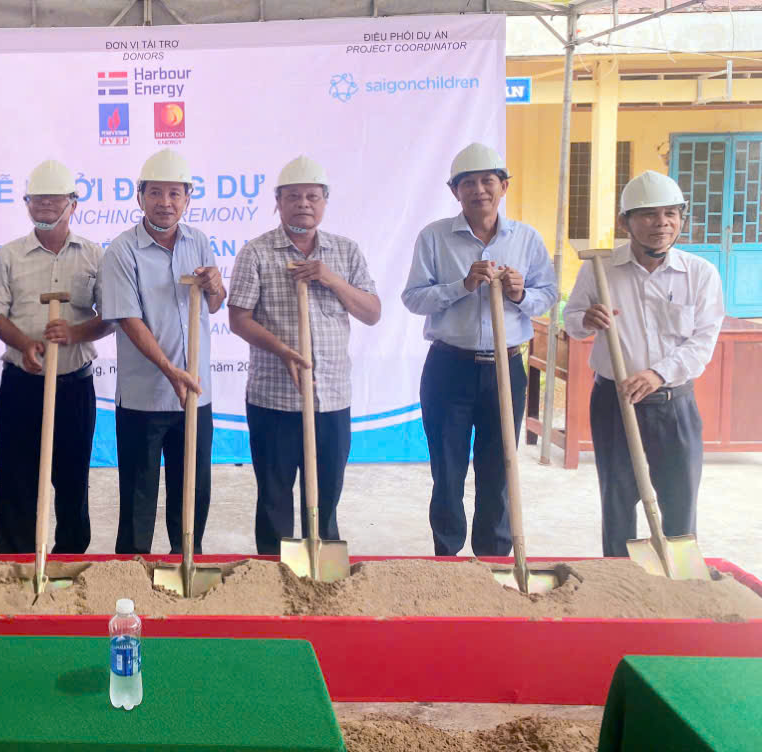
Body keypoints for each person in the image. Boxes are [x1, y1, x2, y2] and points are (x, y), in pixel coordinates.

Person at [401, 143, 558, 557]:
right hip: (450, 368)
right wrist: (463, 286)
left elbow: (548, 296)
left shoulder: (526, 239)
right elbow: (414, 299)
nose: (479, 190)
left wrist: (522, 293)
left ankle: (494, 560)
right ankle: (448, 557)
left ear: (504, 186)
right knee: (448, 471)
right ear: (455, 191)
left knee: (500, 469)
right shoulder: (434, 237)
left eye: (488, 181)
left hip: (507, 367)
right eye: (467, 183)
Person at [563, 170, 724, 556]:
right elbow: (570, 320)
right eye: (649, 215)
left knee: (680, 502)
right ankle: (622, 588)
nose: (662, 224)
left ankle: (679, 590)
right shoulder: (600, 270)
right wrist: (586, 320)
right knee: (618, 502)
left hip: (675, 405)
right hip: (615, 404)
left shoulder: (700, 275)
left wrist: (657, 374)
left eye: (671, 214)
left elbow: (703, 341)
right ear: (625, 222)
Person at [228, 155, 381, 555]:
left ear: (325, 201)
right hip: (273, 398)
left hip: (331, 398)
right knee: (274, 496)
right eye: (293, 196)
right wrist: (283, 351)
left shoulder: (345, 252)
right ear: (277, 202)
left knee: (326, 495)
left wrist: (329, 278)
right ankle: (272, 573)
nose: (303, 203)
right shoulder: (256, 252)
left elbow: (371, 312)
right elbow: (239, 320)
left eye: (312, 196)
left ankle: (321, 567)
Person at [0, 159, 112, 554]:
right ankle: (18, 564)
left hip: (74, 386)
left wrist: (75, 332)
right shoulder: (9, 256)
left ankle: (69, 560)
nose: (46, 206)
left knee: (72, 480)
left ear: (74, 203)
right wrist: (25, 343)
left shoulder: (94, 256)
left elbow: (111, 318)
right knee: (18, 481)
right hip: (23, 385)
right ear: (26, 204)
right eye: (37, 199)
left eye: (55, 199)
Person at [100, 148, 224, 555]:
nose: (165, 203)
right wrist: (171, 369)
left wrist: (215, 286)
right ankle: (132, 578)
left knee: (192, 492)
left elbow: (215, 304)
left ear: (187, 198)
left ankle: (185, 563)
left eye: (175, 194)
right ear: (140, 197)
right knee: (138, 498)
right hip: (144, 400)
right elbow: (129, 321)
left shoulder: (199, 242)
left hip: (194, 397)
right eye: (156, 193)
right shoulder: (122, 251)